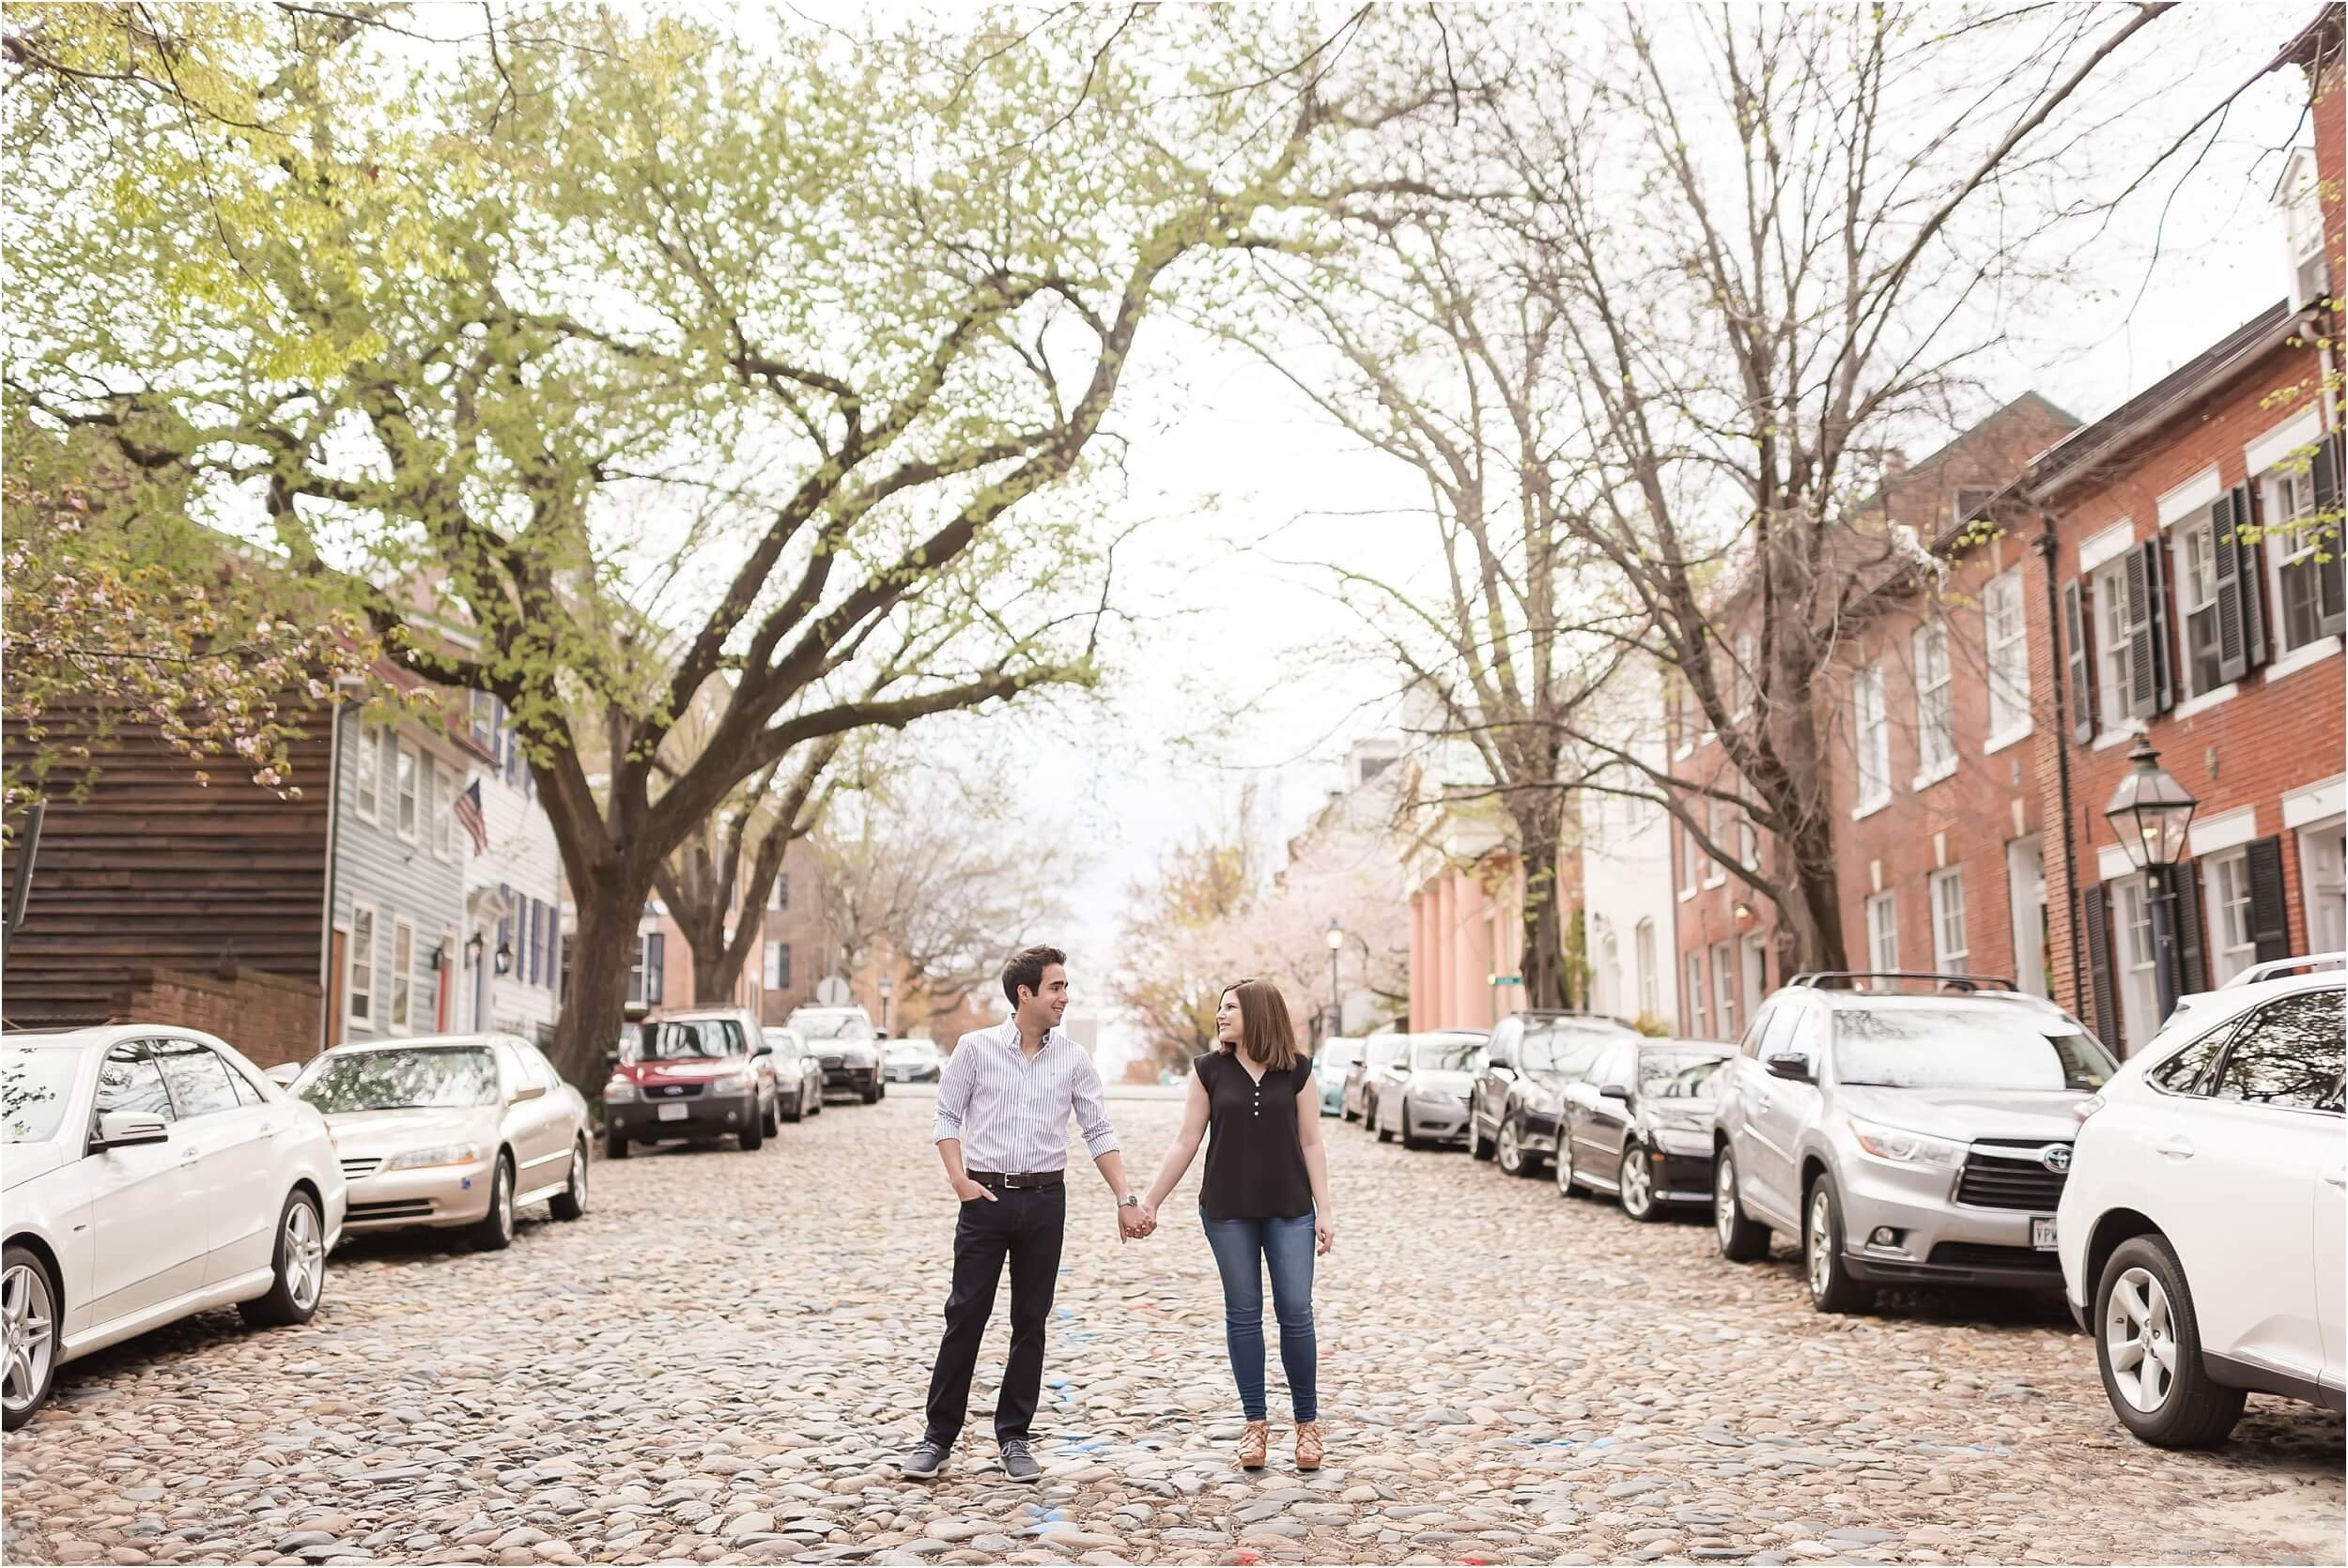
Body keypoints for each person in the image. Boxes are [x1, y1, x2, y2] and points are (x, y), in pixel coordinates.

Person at [904, 945, 1147, 1483]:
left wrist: (1124, 1198)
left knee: (1029, 1321)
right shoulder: (975, 1049)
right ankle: (937, 1437)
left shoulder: (1074, 1059)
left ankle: (1014, 1436)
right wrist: (960, 1181)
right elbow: (945, 1117)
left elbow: (1098, 1132)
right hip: (984, 1201)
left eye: (1065, 986)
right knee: (964, 1315)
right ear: (1025, 993)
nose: (1066, 996)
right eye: (1057, 987)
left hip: (1044, 1202)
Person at [1137, 976, 1335, 1472]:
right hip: (1226, 1209)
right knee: (1243, 1312)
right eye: (1220, 1008)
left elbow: (1311, 1142)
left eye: (1230, 1008)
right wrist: (1151, 1202)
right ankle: (1255, 1425)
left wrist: (1325, 1210)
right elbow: (1186, 1141)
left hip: (1291, 1208)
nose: (1221, 1016)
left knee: (1296, 1311)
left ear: (1259, 1013)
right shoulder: (1208, 1071)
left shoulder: (1298, 1071)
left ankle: (1307, 1426)